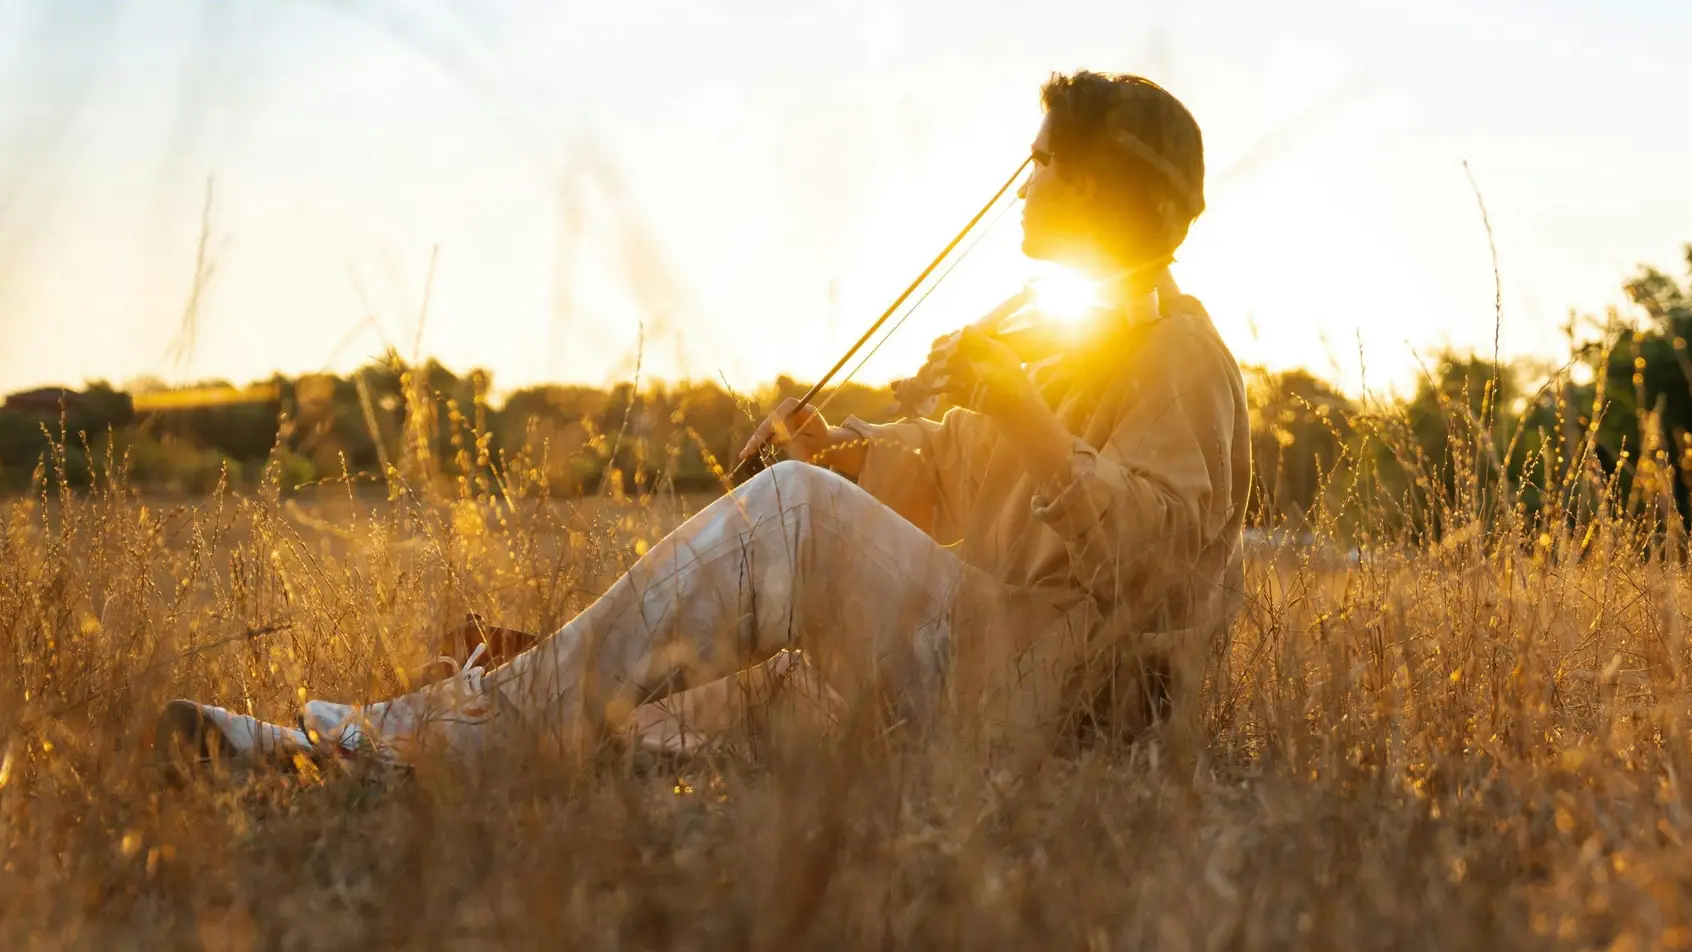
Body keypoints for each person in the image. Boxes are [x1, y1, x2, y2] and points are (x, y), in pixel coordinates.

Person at [155, 70, 1250, 772]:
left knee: (800, 517)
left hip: (1051, 699)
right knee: (670, 720)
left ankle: (453, 734)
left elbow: (1157, 554)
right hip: (979, 667)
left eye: (1049, 162)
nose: (1025, 182)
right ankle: (330, 751)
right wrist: (844, 450)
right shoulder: (1069, 336)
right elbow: (957, 464)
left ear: (1105, 186)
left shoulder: (1178, 352)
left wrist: (1017, 417)